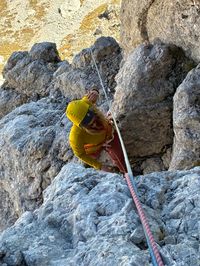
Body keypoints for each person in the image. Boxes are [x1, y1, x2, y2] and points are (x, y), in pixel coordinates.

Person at [66, 88, 127, 173]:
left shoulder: (86, 102)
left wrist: (95, 91)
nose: (94, 124)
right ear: (81, 126)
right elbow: (80, 154)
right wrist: (100, 166)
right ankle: (125, 173)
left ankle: (125, 171)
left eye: (94, 119)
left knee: (119, 156)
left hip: (109, 134)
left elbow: (94, 92)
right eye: (90, 125)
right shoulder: (75, 137)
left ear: (89, 109)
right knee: (117, 156)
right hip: (94, 148)